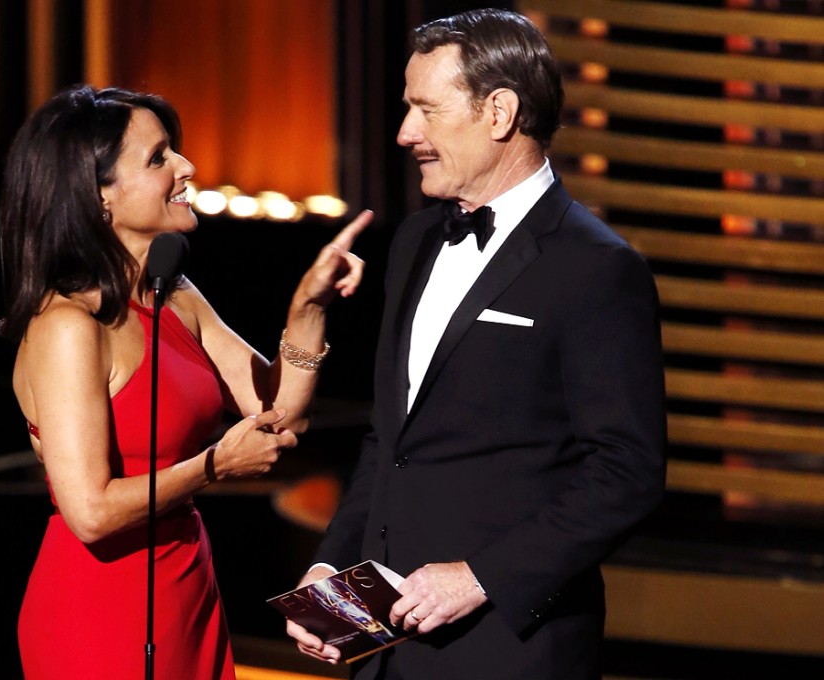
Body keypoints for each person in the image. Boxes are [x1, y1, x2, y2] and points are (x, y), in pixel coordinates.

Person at [285, 8, 666, 680]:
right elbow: (389, 441)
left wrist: (481, 578)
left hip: (506, 652)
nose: (405, 133)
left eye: (426, 110)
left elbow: (626, 472)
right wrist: (330, 572)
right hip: (382, 650)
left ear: (499, 112)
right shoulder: (413, 243)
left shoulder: (598, 268)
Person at [0, 84, 373, 680]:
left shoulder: (176, 297)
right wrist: (213, 466)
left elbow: (280, 415)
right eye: (158, 158)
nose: (186, 167)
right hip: (99, 607)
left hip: (185, 582)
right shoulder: (67, 326)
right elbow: (89, 512)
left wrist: (308, 310)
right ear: (100, 200)